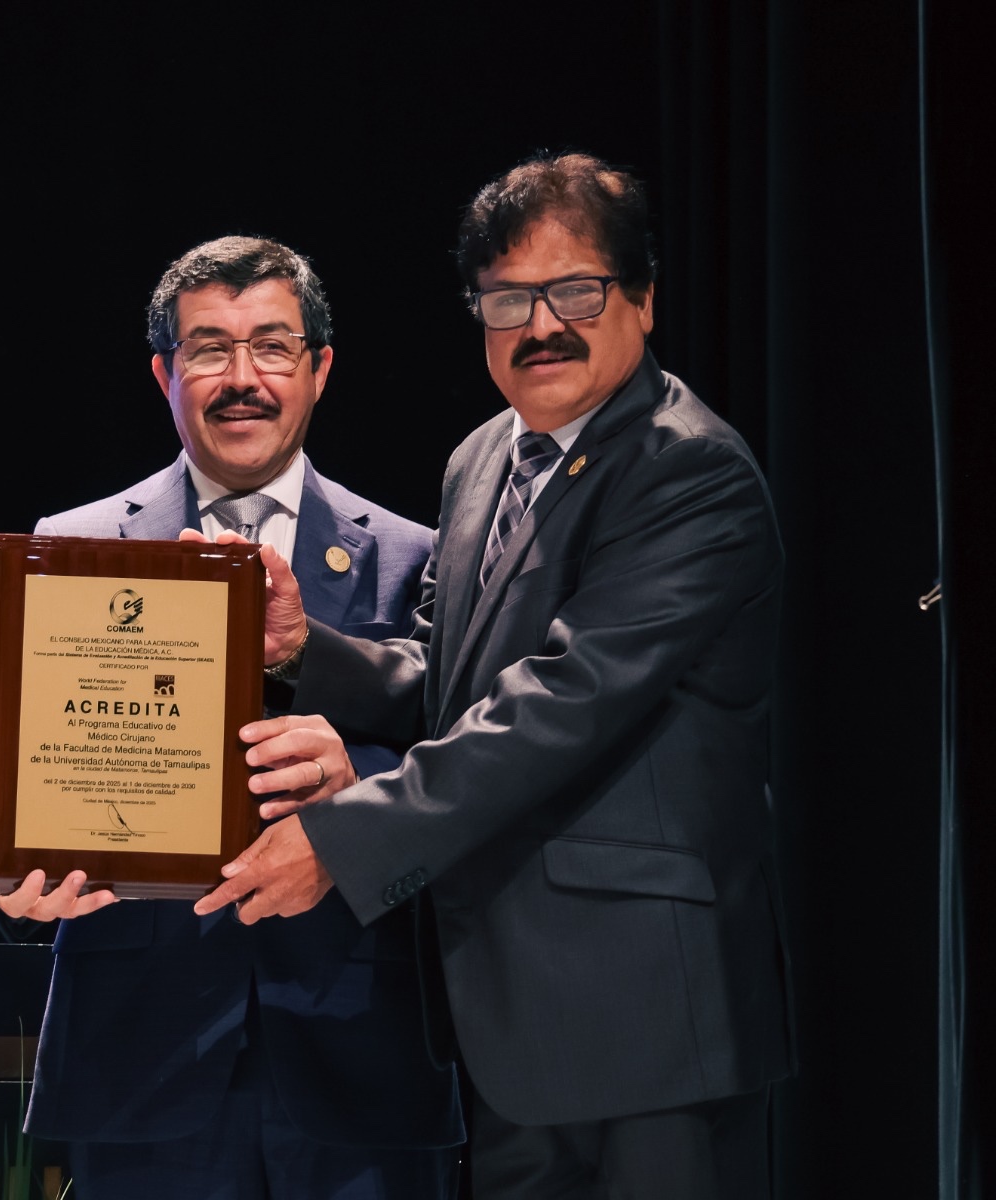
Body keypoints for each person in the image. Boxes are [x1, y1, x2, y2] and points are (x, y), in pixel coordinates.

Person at [196, 155, 795, 1198]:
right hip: (507, 1012)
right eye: (507, 298)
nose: (541, 325)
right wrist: (301, 650)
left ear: (644, 300)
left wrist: (341, 838)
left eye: (577, 291)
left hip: (647, 1016)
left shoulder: (688, 468)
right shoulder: (484, 458)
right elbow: (448, 672)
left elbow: (560, 702)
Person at [0, 236, 464, 1199]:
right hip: (138, 1059)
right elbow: (16, 787)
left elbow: (462, 768)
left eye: (272, 346)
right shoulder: (66, 551)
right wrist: (17, 883)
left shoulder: (415, 559)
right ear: (164, 374)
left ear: (320, 369)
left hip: (362, 1049)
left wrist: (354, 785)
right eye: (208, 349)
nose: (243, 379)